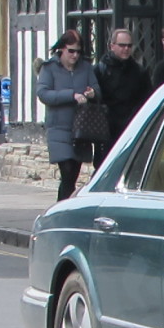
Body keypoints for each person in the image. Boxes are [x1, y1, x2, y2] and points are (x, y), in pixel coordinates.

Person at [36, 30, 101, 201]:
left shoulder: (86, 67)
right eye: (71, 51)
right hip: (59, 128)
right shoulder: (49, 68)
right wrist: (71, 95)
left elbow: (97, 89)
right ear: (62, 49)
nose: (75, 55)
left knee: (73, 174)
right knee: (67, 171)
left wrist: (92, 94)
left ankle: (63, 207)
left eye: (78, 51)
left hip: (81, 129)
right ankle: (61, 208)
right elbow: (43, 93)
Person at [93, 27, 152, 168]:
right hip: (106, 129)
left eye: (129, 46)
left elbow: (147, 99)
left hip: (130, 127)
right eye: (122, 45)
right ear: (112, 46)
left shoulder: (139, 72)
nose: (126, 49)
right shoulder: (99, 70)